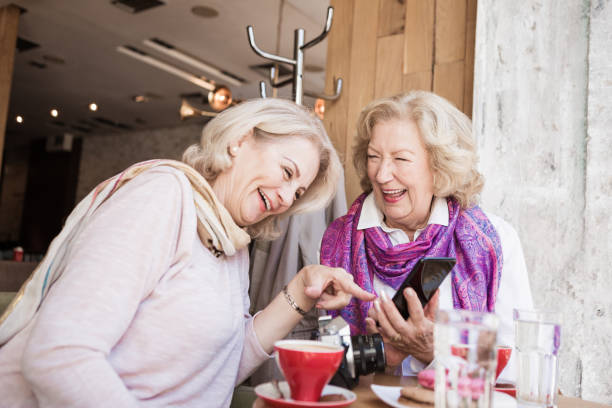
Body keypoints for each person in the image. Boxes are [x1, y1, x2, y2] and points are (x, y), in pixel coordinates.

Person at [0, 98, 375, 408]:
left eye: (297, 194)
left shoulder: (230, 241)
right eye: (287, 171)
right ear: (240, 141)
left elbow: (222, 364)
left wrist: (301, 288)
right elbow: (59, 355)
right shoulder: (162, 197)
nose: (284, 198)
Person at [320, 91, 533, 380]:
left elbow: (518, 362)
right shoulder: (339, 239)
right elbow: (315, 356)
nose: (382, 174)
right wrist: (384, 355)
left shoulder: (494, 240)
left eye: (400, 159)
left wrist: (435, 351)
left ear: (439, 165)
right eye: (374, 157)